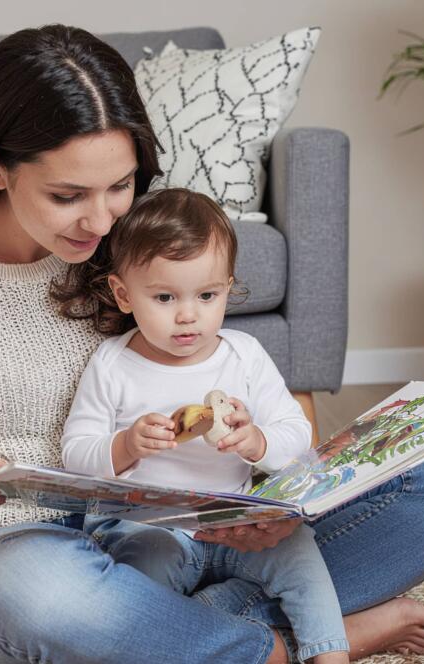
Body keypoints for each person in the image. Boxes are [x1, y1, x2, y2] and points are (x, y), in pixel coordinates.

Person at [0, 23, 424, 664]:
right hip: (26, 551)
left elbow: (234, 372)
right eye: (67, 196)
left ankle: (180, 638)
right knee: (36, 596)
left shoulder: (132, 238)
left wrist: (270, 492)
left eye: (120, 186)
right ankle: (292, 646)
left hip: (195, 535)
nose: (101, 221)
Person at [60, 188, 349, 662]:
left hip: (234, 524)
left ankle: (329, 652)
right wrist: (127, 445)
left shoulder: (244, 356)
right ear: (123, 294)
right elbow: (76, 452)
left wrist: (256, 441)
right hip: (147, 526)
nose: (188, 315)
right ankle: (189, 633)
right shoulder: (112, 363)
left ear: (229, 287)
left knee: (298, 551)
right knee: (140, 580)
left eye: (208, 295)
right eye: (165, 296)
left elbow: (296, 435)